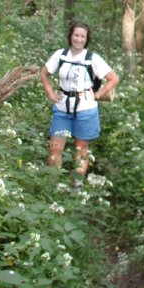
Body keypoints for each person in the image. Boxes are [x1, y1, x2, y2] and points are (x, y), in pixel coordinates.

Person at [40, 22, 119, 186]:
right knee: (55, 148)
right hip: (62, 108)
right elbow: (44, 73)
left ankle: (76, 187)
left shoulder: (93, 58)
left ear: (86, 39)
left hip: (86, 109)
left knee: (81, 149)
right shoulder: (60, 55)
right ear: (70, 36)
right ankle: (52, 186)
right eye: (76, 35)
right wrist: (51, 93)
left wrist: (98, 94)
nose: (79, 39)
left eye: (82, 36)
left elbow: (113, 78)